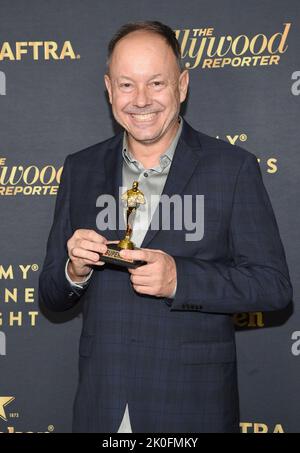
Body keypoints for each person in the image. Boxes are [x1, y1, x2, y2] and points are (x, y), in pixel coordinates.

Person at [39, 21, 292, 433]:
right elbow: (51, 292)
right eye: (126, 85)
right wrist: (75, 271)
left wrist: (181, 279)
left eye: (156, 83)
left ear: (182, 85)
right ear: (108, 88)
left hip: (192, 405)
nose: (141, 100)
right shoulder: (79, 169)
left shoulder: (232, 168)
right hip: (103, 405)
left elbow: (273, 287)